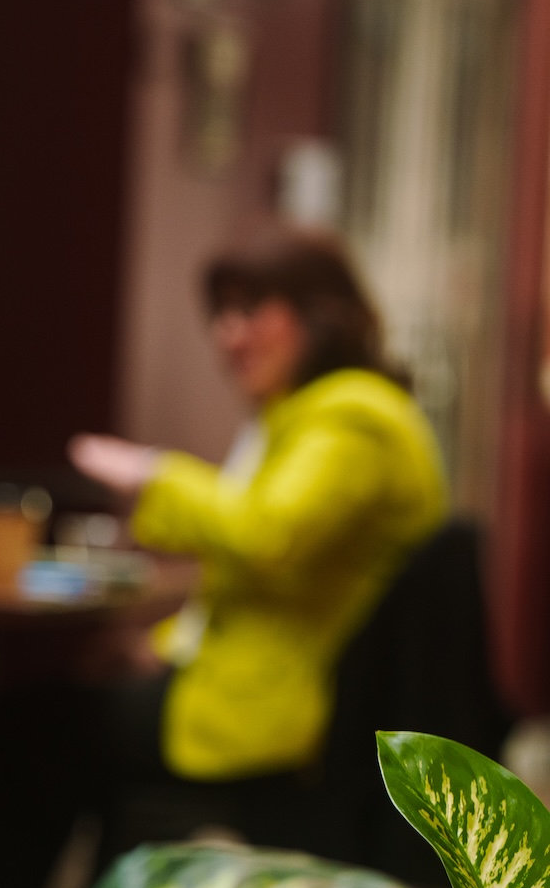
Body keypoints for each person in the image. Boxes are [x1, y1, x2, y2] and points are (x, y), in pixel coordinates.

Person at [68, 231, 447, 784]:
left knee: (17, 739)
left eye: (249, 311)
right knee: (55, 720)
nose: (227, 334)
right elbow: (255, 586)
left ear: (318, 314)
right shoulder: (299, 413)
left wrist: (151, 472)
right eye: (221, 316)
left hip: (279, 718)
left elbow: (267, 535)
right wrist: (163, 646)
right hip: (244, 690)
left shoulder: (355, 416)